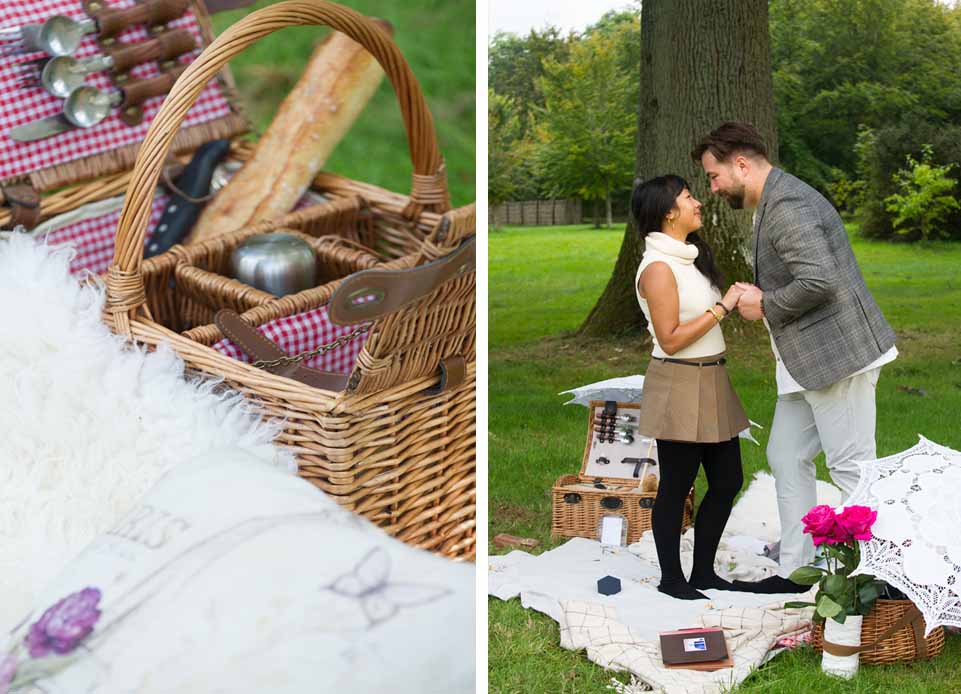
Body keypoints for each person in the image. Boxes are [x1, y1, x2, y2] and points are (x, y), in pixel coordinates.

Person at [692, 121, 897, 593]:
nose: (713, 187)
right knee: (786, 455)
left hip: (837, 358)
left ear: (741, 164)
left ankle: (886, 573)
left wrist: (762, 304)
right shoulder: (776, 199)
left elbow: (819, 281)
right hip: (807, 364)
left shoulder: (788, 205)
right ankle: (798, 569)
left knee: (852, 469)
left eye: (715, 175)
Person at [633, 175, 750, 601]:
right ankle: (672, 579)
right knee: (676, 486)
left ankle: (703, 572)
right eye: (688, 198)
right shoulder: (658, 268)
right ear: (668, 211)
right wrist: (723, 308)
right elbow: (670, 338)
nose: (697, 202)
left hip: (713, 378)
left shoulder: (689, 258)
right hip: (679, 382)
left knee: (727, 480)